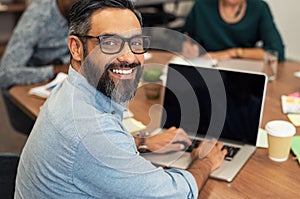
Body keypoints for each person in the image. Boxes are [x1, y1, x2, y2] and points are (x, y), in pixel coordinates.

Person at [15, 0, 227, 198]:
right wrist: (205, 162)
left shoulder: (69, 90)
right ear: (76, 48)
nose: (128, 57)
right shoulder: (89, 132)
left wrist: (144, 142)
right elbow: (175, 193)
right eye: (110, 43)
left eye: (136, 43)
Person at [0, 0, 78, 134]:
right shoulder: (38, 16)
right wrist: (56, 70)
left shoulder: (88, 12)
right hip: (29, 96)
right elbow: (5, 74)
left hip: (69, 88)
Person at [181, 0, 285, 61]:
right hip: (208, 70)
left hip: (243, 74)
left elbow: (277, 52)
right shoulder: (201, 5)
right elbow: (185, 39)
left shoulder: (259, 8)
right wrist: (186, 48)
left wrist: (233, 53)